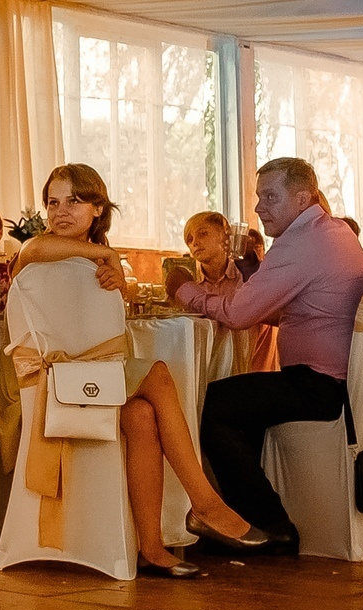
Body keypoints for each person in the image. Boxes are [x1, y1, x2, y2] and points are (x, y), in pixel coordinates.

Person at [16, 168, 268, 575]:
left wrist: (121, 284)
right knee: (158, 375)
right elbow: (34, 251)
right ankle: (203, 501)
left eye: (74, 201)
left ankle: (151, 547)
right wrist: (107, 256)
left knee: (142, 414)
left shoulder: (94, 262)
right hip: (53, 383)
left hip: (89, 380)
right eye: (53, 202)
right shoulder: (40, 252)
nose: (61, 210)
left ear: (98, 208)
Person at [168, 158, 363, 554]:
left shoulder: (298, 243)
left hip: (320, 386)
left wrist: (183, 289)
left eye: (270, 197)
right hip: (345, 380)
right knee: (241, 402)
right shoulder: (335, 233)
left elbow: (239, 315)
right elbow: (309, 309)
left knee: (213, 403)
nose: (259, 208)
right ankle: (250, 514)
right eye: (258, 197)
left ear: (302, 199)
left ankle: (266, 525)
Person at [161, 211, 275, 372]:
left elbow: (239, 315)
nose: (195, 242)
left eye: (203, 234)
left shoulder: (247, 274)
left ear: (225, 235)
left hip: (252, 367)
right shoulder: (186, 279)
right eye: (189, 239)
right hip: (206, 367)